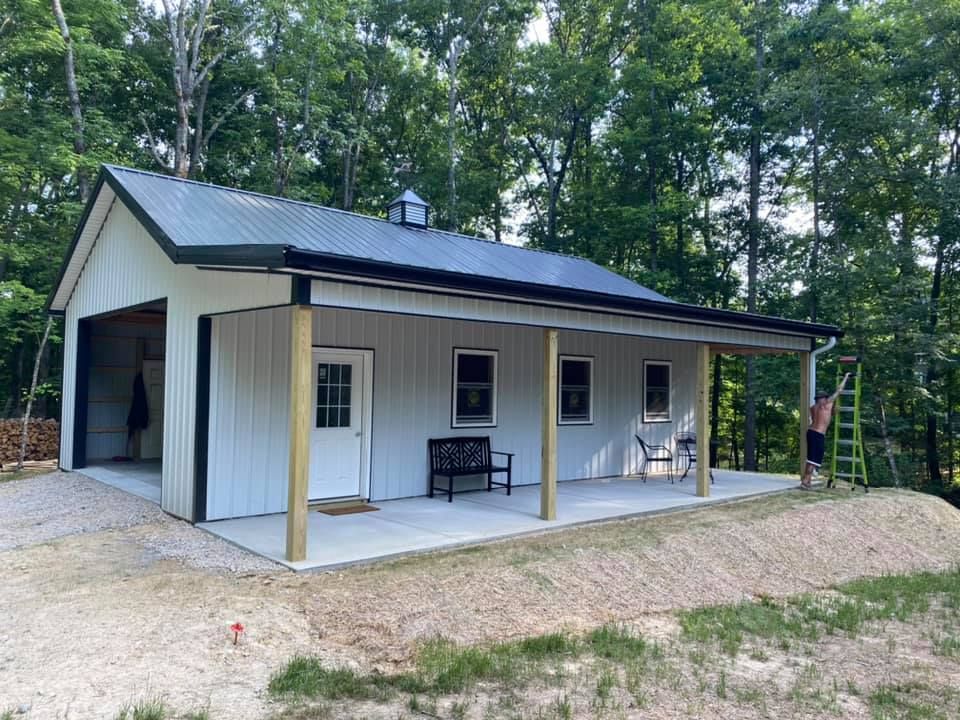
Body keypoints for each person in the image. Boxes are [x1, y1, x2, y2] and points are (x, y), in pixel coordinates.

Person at [801, 372, 851, 489]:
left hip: (811, 432)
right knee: (814, 459)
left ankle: (806, 480)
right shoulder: (827, 403)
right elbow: (839, 390)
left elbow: (822, 418)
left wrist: (833, 411)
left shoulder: (813, 407)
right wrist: (846, 377)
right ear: (824, 398)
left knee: (810, 458)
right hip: (818, 434)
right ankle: (806, 481)